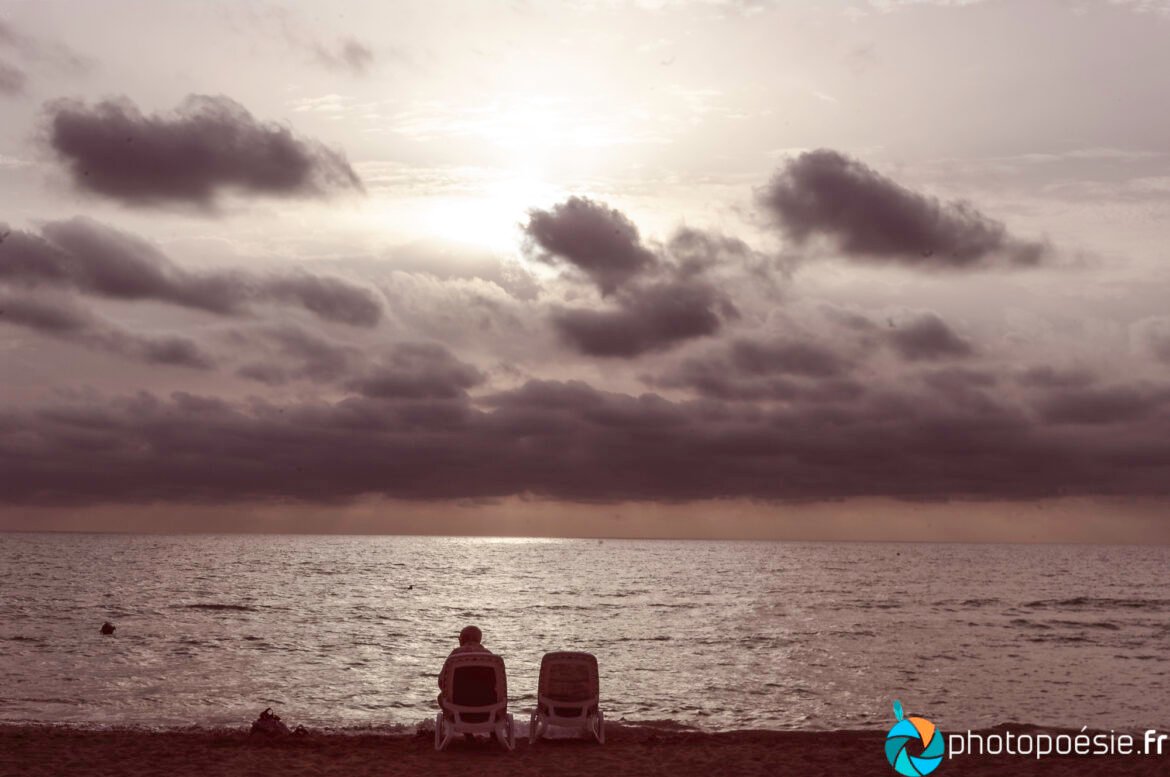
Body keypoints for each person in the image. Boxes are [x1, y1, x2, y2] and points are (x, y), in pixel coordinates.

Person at [437, 625, 496, 741]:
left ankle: (467, 734)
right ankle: (493, 731)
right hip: (487, 709)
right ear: (479, 640)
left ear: (462, 640)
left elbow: (441, 683)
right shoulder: (490, 656)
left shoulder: (455, 655)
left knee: (441, 697)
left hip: (458, 710)